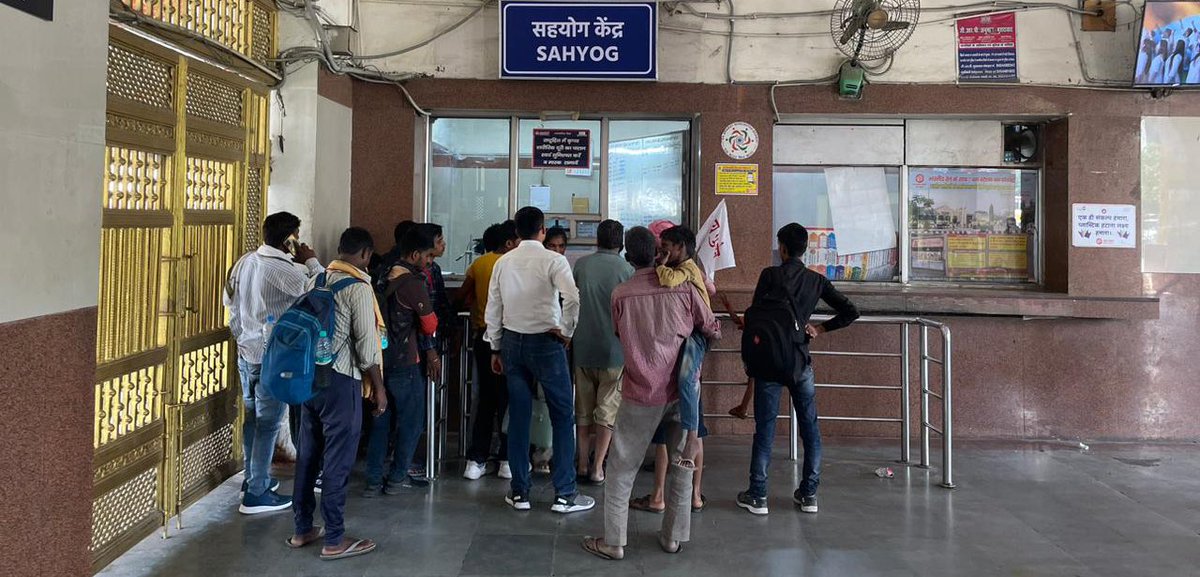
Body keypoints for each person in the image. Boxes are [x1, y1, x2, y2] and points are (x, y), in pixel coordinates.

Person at [581, 226, 721, 561]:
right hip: (682, 392)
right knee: (681, 464)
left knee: (621, 469)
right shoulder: (686, 288)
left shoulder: (621, 294)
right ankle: (673, 538)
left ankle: (614, 542)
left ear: (628, 256)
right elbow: (711, 326)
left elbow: (620, 333)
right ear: (659, 252)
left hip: (640, 392)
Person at [737, 223, 860, 517]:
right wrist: (819, 328)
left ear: (782, 248)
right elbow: (850, 311)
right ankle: (808, 494)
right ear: (805, 249)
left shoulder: (769, 275)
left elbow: (756, 315)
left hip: (768, 363)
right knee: (810, 429)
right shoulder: (816, 282)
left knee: (764, 429)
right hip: (800, 362)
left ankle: (758, 494)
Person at [288, 227, 388, 561]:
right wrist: (379, 389)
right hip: (341, 381)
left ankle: (302, 529)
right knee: (338, 460)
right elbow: (366, 345)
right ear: (366, 255)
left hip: (309, 380)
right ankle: (334, 539)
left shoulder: (316, 279)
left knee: (308, 455)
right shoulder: (358, 288)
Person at [485, 206, 591, 513]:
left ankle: (520, 492)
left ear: (516, 232)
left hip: (512, 343)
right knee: (562, 414)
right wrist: (568, 331)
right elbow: (573, 297)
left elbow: (494, 306)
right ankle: (565, 494)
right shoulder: (554, 260)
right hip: (547, 342)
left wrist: (495, 347)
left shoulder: (503, 262)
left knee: (519, 416)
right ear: (542, 231)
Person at [224, 212, 323, 515]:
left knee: (253, 418)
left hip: (245, 352)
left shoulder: (244, 262)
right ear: (289, 240)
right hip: (272, 357)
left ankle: (255, 478)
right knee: (268, 423)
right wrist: (311, 260)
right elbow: (320, 288)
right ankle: (256, 494)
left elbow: (228, 302)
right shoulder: (286, 270)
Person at [363, 227, 440, 497]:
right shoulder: (412, 283)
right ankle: (396, 478)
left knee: (381, 422)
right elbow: (430, 323)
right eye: (428, 255)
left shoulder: (380, 275)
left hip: (379, 362)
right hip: (406, 362)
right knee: (411, 423)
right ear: (416, 254)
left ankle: (373, 480)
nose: (430, 261)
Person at [571, 219, 634, 484]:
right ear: (621, 243)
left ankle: (582, 463)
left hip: (582, 347)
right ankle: (598, 467)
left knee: (583, 410)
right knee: (607, 410)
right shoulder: (627, 270)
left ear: (596, 239)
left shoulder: (581, 266)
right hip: (614, 351)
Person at [460, 221, 519, 480]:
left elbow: (462, 297)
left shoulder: (479, 265)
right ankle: (508, 459)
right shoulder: (515, 264)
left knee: (486, 399)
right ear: (508, 243)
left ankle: (476, 459)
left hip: (484, 337)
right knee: (511, 400)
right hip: (513, 337)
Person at [654, 225, 711, 467]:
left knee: (687, 380)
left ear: (680, 248)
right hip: (688, 331)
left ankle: (691, 437)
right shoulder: (683, 267)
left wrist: (660, 264)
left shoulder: (687, 268)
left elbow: (668, 281)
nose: (662, 253)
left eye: (666, 249)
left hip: (696, 334)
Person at [718, 293, 755, 420]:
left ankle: (743, 407)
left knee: (753, 380)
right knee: (753, 380)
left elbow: (737, 320)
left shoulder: (754, 314)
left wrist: (728, 306)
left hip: (752, 352)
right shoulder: (764, 316)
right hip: (756, 352)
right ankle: (743, 407)